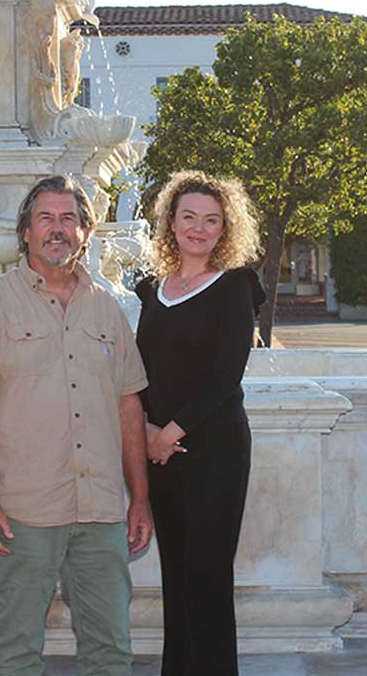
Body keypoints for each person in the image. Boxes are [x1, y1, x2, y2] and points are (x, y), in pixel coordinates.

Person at [0, 175, 153, 676]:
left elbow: (129, 407)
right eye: (46, 218)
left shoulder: (109, 309)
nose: (57, 229)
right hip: (22, 513)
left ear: (86, 231)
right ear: (25, 231)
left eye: (69, 219)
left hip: (101, 510)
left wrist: (140, 498)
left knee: (111, 651)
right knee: (17, 654)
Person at [134, 170, 264, 676]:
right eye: (188, 216)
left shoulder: (236, 287)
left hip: (214, 452)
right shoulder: (153, 290)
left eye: (211, 220)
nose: (198, 228)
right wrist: (146, 429)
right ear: (170, 221)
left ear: (225, 228)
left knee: (207, 578)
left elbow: (226, 375)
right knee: (177, 576)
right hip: (161, 452)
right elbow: (143, 369)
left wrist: (169, 432)